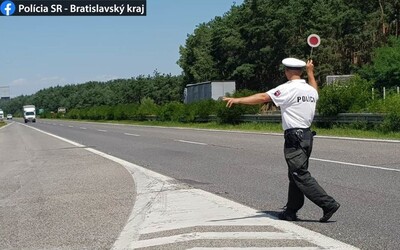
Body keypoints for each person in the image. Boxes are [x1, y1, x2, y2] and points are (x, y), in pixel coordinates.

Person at [223, 58, 340, 222]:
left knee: (299, 174)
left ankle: (328, 204)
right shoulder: (310, 90)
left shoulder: (288, 88)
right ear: (300, 71)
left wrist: (238, 100)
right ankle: (291, 211)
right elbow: (315, 89)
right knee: (294, 175)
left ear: (287, 71)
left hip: (295, 138)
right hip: (307, 136)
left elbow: (264, 97)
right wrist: (311, 73)